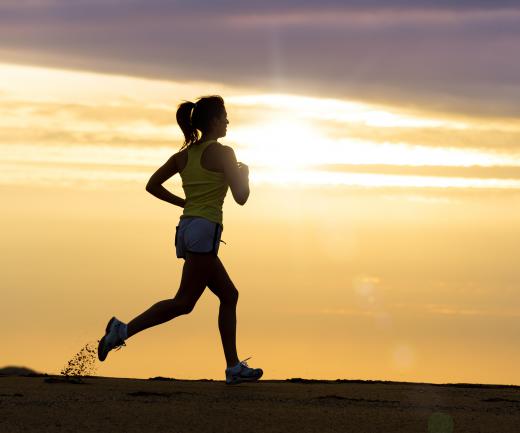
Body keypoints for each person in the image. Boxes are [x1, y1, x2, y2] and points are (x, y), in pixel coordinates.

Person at [97, 95, 263, 385]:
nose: (227, 120)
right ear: (212, 120)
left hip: (187, 230)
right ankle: (121, 331)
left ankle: (233, 366)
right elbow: (241, 197)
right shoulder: (224, 153)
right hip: (204, 231)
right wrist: (245, 174)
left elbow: (152, 185)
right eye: (224, 115)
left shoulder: (185, 155)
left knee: (228, 295)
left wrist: (184, 203)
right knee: (183, 302)